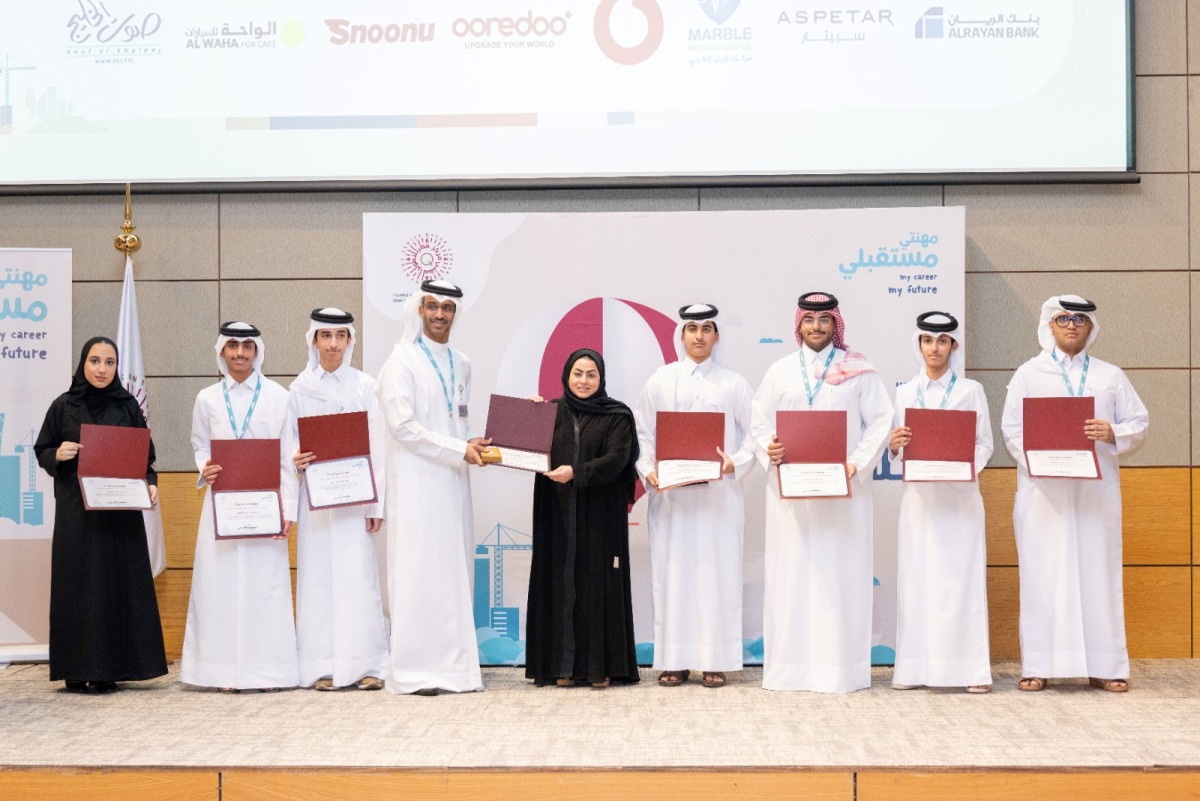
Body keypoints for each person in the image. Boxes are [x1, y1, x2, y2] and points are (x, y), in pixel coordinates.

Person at [1001, 295, 1148, 693]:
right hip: (1043, 494)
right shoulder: (1028, 374)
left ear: (1090, 328)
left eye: (1080, 319)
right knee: (1042, 575)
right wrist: (1038, 460)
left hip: (1095, 494)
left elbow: (1139, 421)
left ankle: (1105, 666)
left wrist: (1113, 431)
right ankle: (1039, 665)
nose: (1071, 325)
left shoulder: (1110, 375)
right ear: (1050, 325)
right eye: (1063, 318)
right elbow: (1012, 429)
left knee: (1097, 572)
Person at [751, 292, 892, 693]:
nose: (816, 327)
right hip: (790, 497)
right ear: (799, 325)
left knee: (838, 576)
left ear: (836, 325)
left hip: (841, 494)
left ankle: (838, 671)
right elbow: (758, 422)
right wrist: (770, 448)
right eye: (809, 320)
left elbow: (881, 421)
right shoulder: (779, 371)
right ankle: (789, 670)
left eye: (824, 320)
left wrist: (856, 463)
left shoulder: (858, 371)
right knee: (790, 575)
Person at [375, 280, 489, 696]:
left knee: (452, 572)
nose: (440, 314)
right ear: (419, 310)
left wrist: (473, 441)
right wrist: (459, 448)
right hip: (417, 486)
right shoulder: (400, 363)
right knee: (419, 572)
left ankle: (456, 669)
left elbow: (459, 418)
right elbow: (403, 429)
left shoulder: (462, 362)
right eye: (432, 306)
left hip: (454, 483)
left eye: (447, 308)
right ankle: (416, 670)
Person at [34, 336, 167, 693]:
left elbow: (145, 457)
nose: (102, 369)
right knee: (77, 587)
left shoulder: (127, 407)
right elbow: (42, 448)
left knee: (113, 587)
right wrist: (57, 454)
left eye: (109, 362)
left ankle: (109, 669)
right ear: (83, 364)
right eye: (95, 361)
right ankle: (76, 670)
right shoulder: (63, 406)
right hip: (77, 515)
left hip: (118, 516)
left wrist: (150, 483)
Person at [633, 304, 754, 689]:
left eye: (706, 329)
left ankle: (714, 660)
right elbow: (643, 435)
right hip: (673, 501)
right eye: (691, 328)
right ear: (681, 336)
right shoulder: (660, 381)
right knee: (674, 575)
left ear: (716, 336)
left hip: (718, 500)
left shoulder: (734, 384)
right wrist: (648, 469)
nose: (699, 336)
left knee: (715, 575)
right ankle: (675, 660)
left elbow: (757, 435)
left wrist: (734, 462)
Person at [180, 322, 298, 693]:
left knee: (265, 588)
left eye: (247, 346)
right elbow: (200, 443)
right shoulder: (207, 398)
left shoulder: (279, 396)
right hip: (222, 506)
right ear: (222, 351)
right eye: (233, 346)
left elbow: (287, 457)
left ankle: (268, 673)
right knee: (220, 587)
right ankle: (220, 673)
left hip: (267, 507)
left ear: (257, 351)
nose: (240, 353)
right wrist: (205, 467)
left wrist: (288, 509)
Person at [887, 312, 993, 694]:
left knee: (960, 582)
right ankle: (914, 671)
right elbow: (896, 451)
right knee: (918, 582)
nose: (935, 347)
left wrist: (963, 469)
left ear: (953, 346)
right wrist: (894, 445)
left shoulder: (971, 391)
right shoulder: (904, 393)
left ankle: (971, 673)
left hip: (960, 501)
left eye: (943, 340)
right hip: (919, 501)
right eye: (928, 340)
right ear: (919, 346)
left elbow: (985, 444)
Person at [284, 308, 388, 691]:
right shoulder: (298, 389)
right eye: (325, 337)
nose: (332, 344)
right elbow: (288, 442)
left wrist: (377, 505)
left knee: (359, 579)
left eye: (339, 336)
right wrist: (293, 457)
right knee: (318, 580)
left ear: (349, 341)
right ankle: (322, 666)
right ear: (313, 340)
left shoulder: (365, 386)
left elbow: (378, 446)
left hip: (356, 502)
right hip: (316, 504)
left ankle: (368, 665)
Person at [525, 348, 641, 689]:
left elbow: (617, 460)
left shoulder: (618, 415)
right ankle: (561, 666)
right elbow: (523, 448)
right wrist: (529, 417)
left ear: (601, 378)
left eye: (591, 374)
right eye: (578, 373)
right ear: (566, 376)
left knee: (597, 582)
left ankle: (599, 667)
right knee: (559, 580)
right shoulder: (550, 413)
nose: (584, 381)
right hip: (556, 511)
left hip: (600, 513)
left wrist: (576, 472)